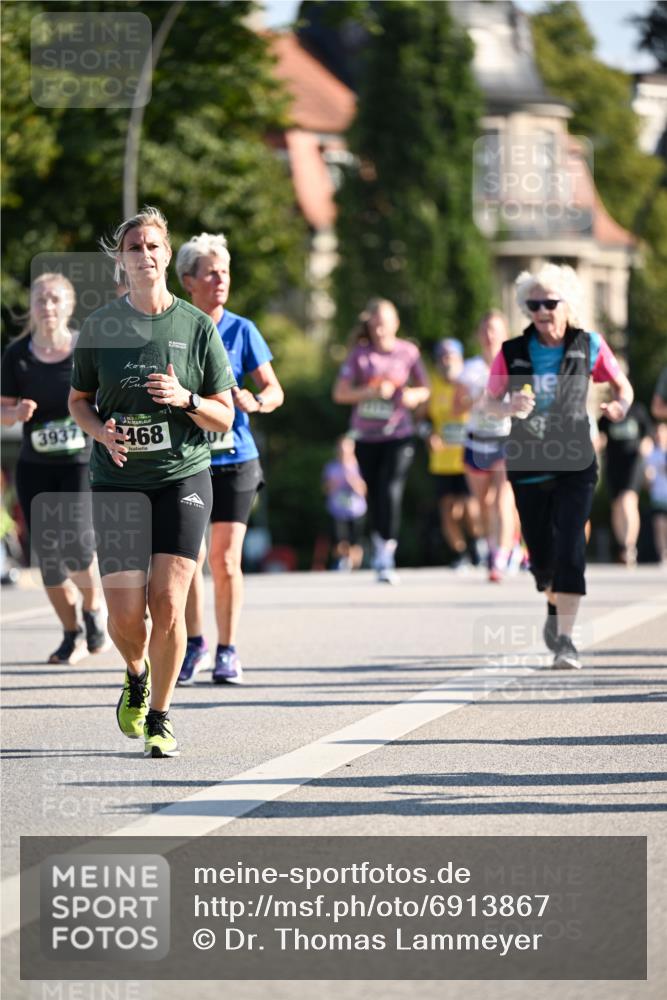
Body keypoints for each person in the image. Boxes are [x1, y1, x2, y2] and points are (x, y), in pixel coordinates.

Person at [68, 207, 236, 757]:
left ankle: (160, 717)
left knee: (167, 601)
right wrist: (100, 434)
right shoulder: (100, 327)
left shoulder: (196, 326)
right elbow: (78, 402)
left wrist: (187, 399)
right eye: (134, 247)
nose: (144, 254)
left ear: (167, 255)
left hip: (182, 477)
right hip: (117, 480)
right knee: (124, 616)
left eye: (153, 246)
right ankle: (135, 673)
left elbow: (225, 416)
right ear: (122, 260)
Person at [482, 263, 633, 669]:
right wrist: (507, 405)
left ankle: (565, 640)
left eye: (550, 303)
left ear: (568, 304)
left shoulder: (590, 345)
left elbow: (623, 386)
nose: (542, 311)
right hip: (528, 460)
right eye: (534, 305)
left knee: (570, 545)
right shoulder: (511, 352)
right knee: (543, 560)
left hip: (574, 460)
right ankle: (552, 600)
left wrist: (619, 405)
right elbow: (487, 401)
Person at [174, 232, 284, 685]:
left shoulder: (243, 329)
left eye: (225, 272)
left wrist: (256, 403)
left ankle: (228, 649)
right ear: (188, 281)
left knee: (225, 560)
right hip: (188, 460)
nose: (221, 280)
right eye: (211, 273)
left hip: (237, 459)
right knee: (188, 559)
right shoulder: (175, 330)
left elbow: (275, 391)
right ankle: (195, 642)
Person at [1, 273, 109, 662]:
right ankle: (70, 632)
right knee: (48, 558)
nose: (47, 306)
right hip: (35, 467)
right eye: (40, 299)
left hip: (80, 462)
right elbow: (2, 412)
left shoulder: (86, 348)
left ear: (69, 305)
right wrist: (14, 411)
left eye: (54, 299)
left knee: (78, 548)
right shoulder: (17, 355)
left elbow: (109, 396)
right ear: (31, 307)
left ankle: (93, 607)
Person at [332, 298, 430, 584]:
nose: (379, 329)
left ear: (396, 323)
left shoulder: (408, 352)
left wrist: (413, 396)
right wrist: (371, 393)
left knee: (391, 487)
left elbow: (425, 388)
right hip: (366, 436)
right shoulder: (359, 355)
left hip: (399, 434)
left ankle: (387, 553)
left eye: (384, 323)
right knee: (374, 494)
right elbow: (340, 393)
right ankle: (379, 545)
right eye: (374, 324)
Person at [458, 311, 517, 582]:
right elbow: (455, 406)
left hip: (507, 439)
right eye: (485, 330)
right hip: (476, 440)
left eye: (494, 329)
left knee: (504, 498)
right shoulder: (469, 369)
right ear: (478, 335)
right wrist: (475, 399)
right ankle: (493, 546)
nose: (489, 335)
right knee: (483, 503)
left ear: (505, 334)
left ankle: (502, 557)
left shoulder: (515, 365)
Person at [425, 338, 481, 569]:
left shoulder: (469, 383)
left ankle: (479, 543)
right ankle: (460, 553)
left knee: (470, 506)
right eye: (443, 357)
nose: (447, 361)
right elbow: (421, 419)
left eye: (452, 356)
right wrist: (428, 433)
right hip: (442, 460)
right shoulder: (432, 385)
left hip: (468, 457)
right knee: (447, 509)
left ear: (460, 359)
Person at [598, 399, 653, 566]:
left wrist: (646, 451)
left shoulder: (637, 410)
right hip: (614, 463)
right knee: (617, 505)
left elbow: (648, 435)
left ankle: (630, 547)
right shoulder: (607, 413)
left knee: (627, 500)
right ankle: (623, 546)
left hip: (633, 461)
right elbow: (601, 437)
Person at [322, 436, 367, 571]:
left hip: (356, 510)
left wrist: (353, 481)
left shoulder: (359, 466)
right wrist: (332, 485)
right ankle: (342, 562)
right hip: (337, 510)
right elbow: (325, 489)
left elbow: (364, 490)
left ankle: (355, 567)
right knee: (339, 540)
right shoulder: (331, 467)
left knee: (356, 543)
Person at [644, 422, 667, 564]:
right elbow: (647, 478)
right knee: (659, 525)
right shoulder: (651, 453)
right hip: (658, 495)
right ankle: (663, 554)